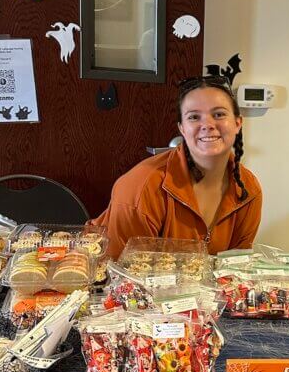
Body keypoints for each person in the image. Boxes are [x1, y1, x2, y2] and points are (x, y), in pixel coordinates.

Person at [94, 76, 262, 257]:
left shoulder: (248, 189)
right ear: (182, 129)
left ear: (238, 123)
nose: (207, 125)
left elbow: (234, 268)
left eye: (219, 114)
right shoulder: (141, 187)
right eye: (194, 117)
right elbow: (120, 273)